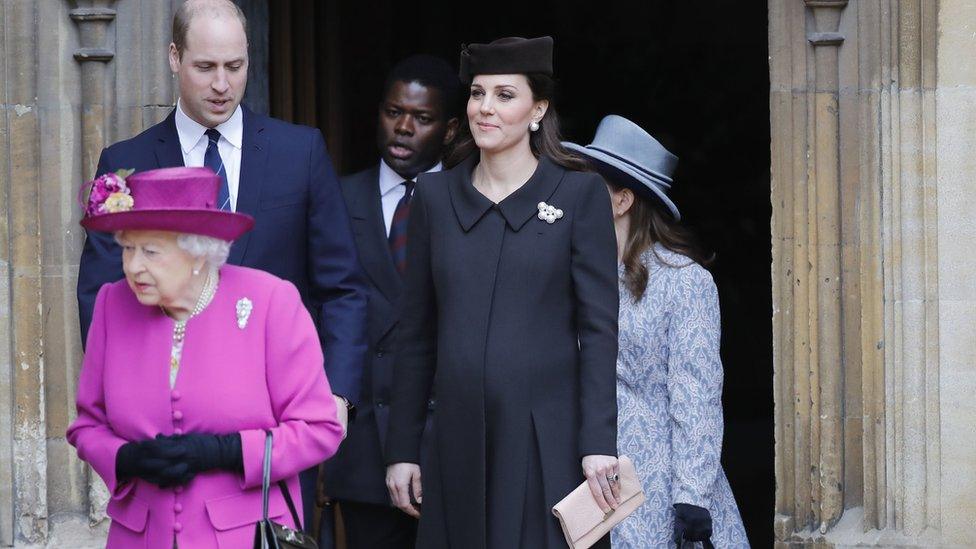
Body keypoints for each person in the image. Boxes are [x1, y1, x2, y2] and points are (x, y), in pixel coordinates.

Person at [75, 0, 365, 471]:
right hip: (162, 426)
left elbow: (343, 287)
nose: (221, 85)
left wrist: (336, 392)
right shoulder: (128, 160)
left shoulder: (301, 152)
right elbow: (100, 297)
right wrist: (131, 408)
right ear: (174, 57)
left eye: (235, 66)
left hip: (277, 422)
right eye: (205, 67)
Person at [384, 37, 621, 549]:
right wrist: (403, 447)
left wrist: (598, 443)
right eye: (476, 94)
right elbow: (417, 333)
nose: (485, 108)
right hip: (455, 437)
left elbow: (598, 330)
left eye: (504, 95)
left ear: (538, 109)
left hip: (547, 439)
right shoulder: (434, 196)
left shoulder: (579, 196)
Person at [67, 167, 345, 548]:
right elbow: (87, 426)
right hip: (141, 536)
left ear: (198, 252)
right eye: (128, 248)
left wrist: (228, 452)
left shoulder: (270, 302)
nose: (133, 267)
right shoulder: (112, 304)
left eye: (150, 251)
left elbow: (319, 430)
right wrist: (126, 459)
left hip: (244, 537)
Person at [564, 115, 749, 548]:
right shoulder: (573, 277)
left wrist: (692, 498)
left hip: (660, 487)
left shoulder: (683, 281)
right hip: (585, 482)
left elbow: (696, 394)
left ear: (622, 199)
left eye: (588, 186)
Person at [323, 55, 461, 549]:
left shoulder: (476, 202)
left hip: (452, 450)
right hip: (364, 453)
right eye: (393, 111)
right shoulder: (335, 199)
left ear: (449, 130)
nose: (403, 127)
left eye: (422, 118)